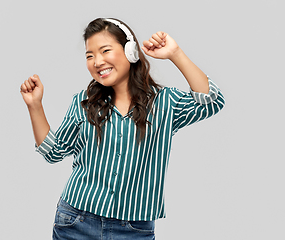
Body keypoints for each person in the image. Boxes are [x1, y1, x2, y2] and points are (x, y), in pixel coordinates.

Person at [20, 18, 225, 240]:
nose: (97, 61)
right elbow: (53, 152)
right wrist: (35, 106)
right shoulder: (85, 103)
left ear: (131, 51)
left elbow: (212, 101)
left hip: (134, 230)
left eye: (104, 50)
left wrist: (175, 53)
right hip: (76, 221)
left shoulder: (164, 103)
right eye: (90, 56)